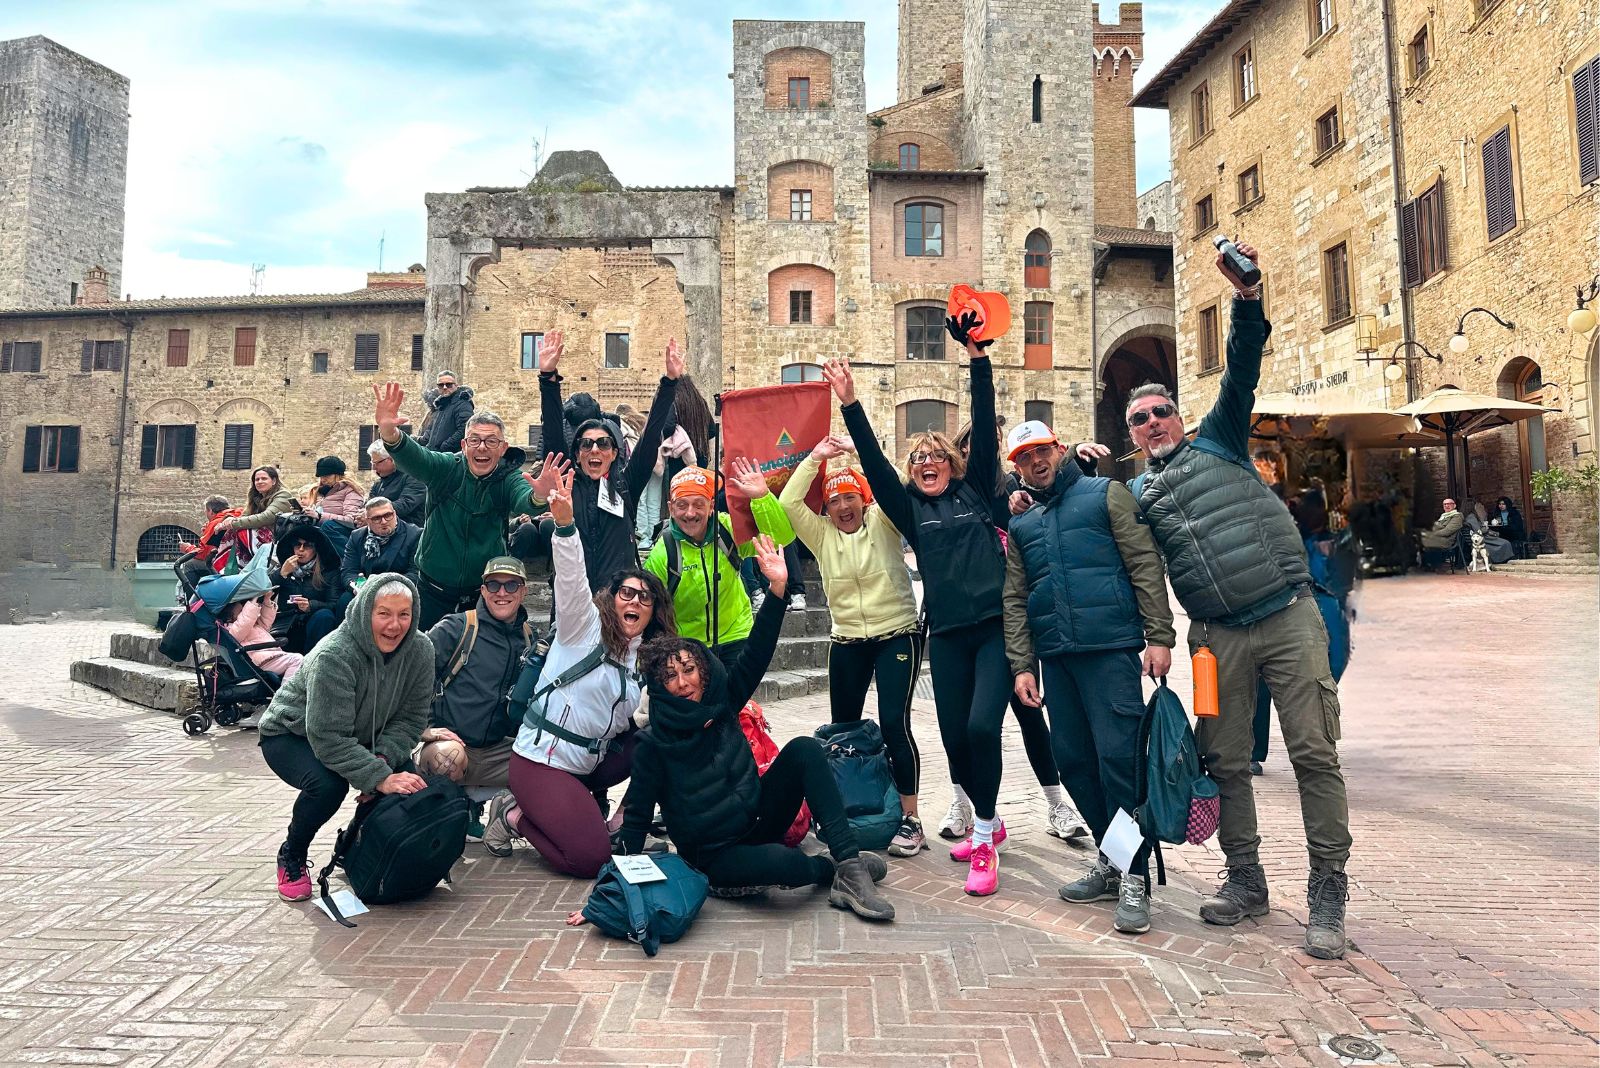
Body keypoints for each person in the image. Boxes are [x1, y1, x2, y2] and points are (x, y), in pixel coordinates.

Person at [1111, 241, 1353, 959]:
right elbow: (1122, 557)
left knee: (1313, 751)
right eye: (1139, 419)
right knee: (1224, 760)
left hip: (1287, 616)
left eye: (1161, 410)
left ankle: (1328, 889)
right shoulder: (1137, 495)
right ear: (1129, 436)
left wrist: (1247, 298)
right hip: (1214, 639)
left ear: (1180, 416)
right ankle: (1246, 879)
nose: (1153, 421)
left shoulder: (1219, 439)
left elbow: (1243, 363)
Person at [823, 315, 1012, 898]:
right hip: (949, 633)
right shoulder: (908, 509)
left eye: (937, 456)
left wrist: (978, 360)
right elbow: (876, 469)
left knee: (983, 727)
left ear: (953, 465)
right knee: (955, 734)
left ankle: (984, 836)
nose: (927, 462)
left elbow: (982, 421)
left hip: (997, 629)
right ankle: (989, 818)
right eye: (919, 459)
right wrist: (851, 406)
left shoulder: (977, 489)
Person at [614, 534, 896, 922]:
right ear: (659, 687)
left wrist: (778, 591)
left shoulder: (722, 699)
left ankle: (848, 865)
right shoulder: (652, 743)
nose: (683, 682)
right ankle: (828, 870)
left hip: (758, 818)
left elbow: (756, 653)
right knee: (785, 864)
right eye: (670, 677)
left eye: (689, 669)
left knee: (805, 749)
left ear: (703, 670)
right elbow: (636, 825)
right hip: (716, 856)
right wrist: (611, 891)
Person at [1001, 418, 1176, 936]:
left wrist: (1159, 635)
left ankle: (1135, 876)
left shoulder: (1107, 495)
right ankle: (1112, 856)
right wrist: (1021, 665)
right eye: (1023, 458)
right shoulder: (1022, 525)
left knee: (1119, 763)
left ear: (1059, 449)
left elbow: (1144, 563)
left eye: (1041, 451)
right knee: (1074, 762)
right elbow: (1015, 598)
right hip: (1056, 658)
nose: (1035, 462)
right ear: (1017, 470)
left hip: (1109, 652)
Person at [479, 468, 676, 877]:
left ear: (654, 611)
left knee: (660, 739)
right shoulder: (580, 626)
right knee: (590, 859)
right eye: (627, 592)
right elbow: (571, 577)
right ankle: (512, 814)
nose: (634, 600)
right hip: (542, 763)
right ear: (612, 599)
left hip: (591, 764)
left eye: (645, 597)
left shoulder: (647, 658)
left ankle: (623, 822)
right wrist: (565, 525)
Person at [774, 438, 928, 855]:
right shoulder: (821, 534)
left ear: (864, 499)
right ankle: (846, 808)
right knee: (842, 729)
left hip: (897, 633)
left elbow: (894, 485)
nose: (843, 506)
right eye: (834, 500)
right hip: (847, 640)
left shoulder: (884, 520)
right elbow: (789, 503)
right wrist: (815, 457)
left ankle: (911, 818)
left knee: (895, 723)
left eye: (850, 497)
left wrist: (860, 456)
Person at [256, 574, 434, 901]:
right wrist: (377, 777)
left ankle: (355, 845)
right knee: (329, 785)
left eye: (403, 615)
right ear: (366, 611)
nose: (394, 625)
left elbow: (411, 719)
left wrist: (381, 764)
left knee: (406, 782)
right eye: (384, 613)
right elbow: (328, 737)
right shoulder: (335, 654)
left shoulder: (421, 650)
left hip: (361, 735)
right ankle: (292, 854)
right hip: (292, 733)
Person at [957, 419, 1092, 846]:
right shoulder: (950, 496)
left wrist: (1080, 466)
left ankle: (1057, 803)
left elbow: (1054, 504)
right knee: (965, 723)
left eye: (985, 443)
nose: (973, 451)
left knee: (1030, 715)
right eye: (966, 444)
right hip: (973, 625)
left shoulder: (1008, 493)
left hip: (1016, 622)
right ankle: (967, 804)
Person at [372, 384, 560, 629]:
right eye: (475, 440)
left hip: (481, 591)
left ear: (503, 449)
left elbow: (525, 500)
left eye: (491, 441)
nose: (482, 447)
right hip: (432, 588)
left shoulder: (507, 477)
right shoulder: (446, 468)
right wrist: (389, 433)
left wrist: (538, 495)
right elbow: (416, 457)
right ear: (463, 445)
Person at [538, 330, 680, 591]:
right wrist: (548, 380)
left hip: (616, 600)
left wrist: (669, 383)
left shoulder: (626, 483)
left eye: (603, 444)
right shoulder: (567, 482)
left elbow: (649, 437)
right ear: (578, 454)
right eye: (586, 444)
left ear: (614, 452)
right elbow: (552, 432)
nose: (594, 450)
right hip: (572, 597)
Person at [417, 558, 536, 817]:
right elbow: (412, 674)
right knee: (446, 760)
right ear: (482, 591)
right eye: (493, 585)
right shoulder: (457, 626)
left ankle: (505, 817)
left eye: (511, 585)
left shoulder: (529, 638)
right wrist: (423, 728)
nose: (502, 593)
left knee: (553, 765)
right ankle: (446, 818)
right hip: (451, 745)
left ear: (524, 590)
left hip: (497, 750)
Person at [1251, 488, 1359, 775]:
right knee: (1262, 678)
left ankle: (1319, 740)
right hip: (1283, 605)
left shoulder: (1337, 535)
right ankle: (1253, 748)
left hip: (1327, 604)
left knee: (1330, 668)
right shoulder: (1278, 529)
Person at [645, 464, 796, 665]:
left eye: (699, 504)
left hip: (737, 635)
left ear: (712, 506)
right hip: (688, 644)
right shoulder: (662, 552)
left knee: (736, 696)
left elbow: (780, 538)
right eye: (682, 505)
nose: (690, 513)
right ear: (671, 508)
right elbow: (649, 609)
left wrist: (762, 496)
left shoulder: (727, 530)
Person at [340, 497, 422, 612]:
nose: (383, 521)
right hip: (365, 591)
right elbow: (348, 572)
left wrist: (381, 589)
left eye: (387, 515)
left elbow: (415, 573)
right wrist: (357, 587)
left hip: (398, 590)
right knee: (345, 600)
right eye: (377, 518)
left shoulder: (415, 535)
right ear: (368, 521)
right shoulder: (357, 536)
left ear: (394, 514)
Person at [272, 527, 342, 654]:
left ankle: (313, 661)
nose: (301, 549)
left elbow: (335, 604)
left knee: (325, 616)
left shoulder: (329, 571)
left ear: (316, 549)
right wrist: (281, 574)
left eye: (308, 545)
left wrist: (311, 605)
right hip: (286, 622)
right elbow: (262, 596)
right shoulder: (285, 567)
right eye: (297, 544)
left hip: (313, 622)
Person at [223, 594, 304, 683]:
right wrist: (253, 600)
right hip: (260, 662)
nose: (244, 611)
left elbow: (266, 619)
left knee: (302, 662)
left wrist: (266, 600)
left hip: (270, 656)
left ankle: (292, 690)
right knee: (297, 660)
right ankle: (285, 693)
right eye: (241, 611)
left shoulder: (254, 625)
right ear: (229, 617)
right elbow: (245, 622)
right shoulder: (231, 629)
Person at [221, 466, 296, 553]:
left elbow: (266, 517)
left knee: (243, 532)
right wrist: (229, 521)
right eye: (257, 479)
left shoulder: (283, 495)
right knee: (229, 528)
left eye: (264, 478)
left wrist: (234, 523)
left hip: (280, 538)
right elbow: (245, 516)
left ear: (274, 481)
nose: (260, 482)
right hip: (266, 537)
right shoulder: (256, 497)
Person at [178, 495, 242, 586]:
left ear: (211, 511)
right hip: (240, 560)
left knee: (190, 565)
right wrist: (207, 531)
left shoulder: (216, 523)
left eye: (205, 511)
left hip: (226, 564)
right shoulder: (237, 516)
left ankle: (193, 598)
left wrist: (188, 548)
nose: (205, 513)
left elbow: (203, 555)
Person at [368, 439, 427, 527]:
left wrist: (375, 514)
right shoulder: (379, 483)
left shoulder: (414, 476)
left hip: (409, 530)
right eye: (372, 463)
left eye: (378, 463)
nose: (374, 467)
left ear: (392, 459)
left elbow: (405, 504)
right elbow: (369, 503)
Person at [417, 370, 474, 453]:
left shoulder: (463, 403)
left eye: (449, 384)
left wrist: (445, 446)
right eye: (441, 385)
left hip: (450, 457)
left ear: (456, 386)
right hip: (435, 455)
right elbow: (431, 430)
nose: (444, 387)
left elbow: (465, 430)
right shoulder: (440, 405)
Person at [1419, 498, 1464, 570]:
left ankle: (1427, 566)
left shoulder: (1457, 516)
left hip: (1447, 541)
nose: (1447, 506)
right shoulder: (1444, 516)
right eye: (1445, 504)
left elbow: (1447, 531)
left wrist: (1431, 535)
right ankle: (1426, 565)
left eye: (1449, 504)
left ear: (1454, 506)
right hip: (1438, 538)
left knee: (1421, 541)